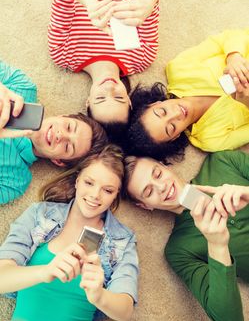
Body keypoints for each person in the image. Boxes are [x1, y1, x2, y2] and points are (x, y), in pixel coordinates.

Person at [0, 144, 138, 321]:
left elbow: (125, 311)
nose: (95, 195)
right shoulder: (39, 214)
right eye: (89, 182)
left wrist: (99, 295)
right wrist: (45, 271)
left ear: (115, 195)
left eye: (108, 190)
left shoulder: (123, 240)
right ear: (77, 180)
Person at [123, 150, 249, 321]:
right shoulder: (179, 250)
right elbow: (229, 318)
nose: (161, 187)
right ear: (145, 206)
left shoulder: (222, 161)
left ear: (163, 165)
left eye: (158, 174)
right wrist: (217, 245)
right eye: (148, 192)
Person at [48, 0, 159, 141]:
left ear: (88, 101)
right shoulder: (142, 58)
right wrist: (147, 3)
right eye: (119, 98)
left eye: (100, 98)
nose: (109, 88)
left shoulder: (63, 53)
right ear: (129, 101)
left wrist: (90, 2)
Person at [127, 28, 249, 160]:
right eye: (171, 127)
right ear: (175, 137)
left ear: (155, 103)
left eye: (162, 112)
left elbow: (229, 35)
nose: (177, 114)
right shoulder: (211, 139)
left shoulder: (179, 69)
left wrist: (234, 57)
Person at [0, 59, 107, 204]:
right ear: (62, 116)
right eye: (69, 127)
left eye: (68, 147)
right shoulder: (23, 86)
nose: (61, 135)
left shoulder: (14, 181)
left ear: (58, 161)